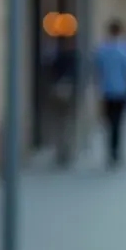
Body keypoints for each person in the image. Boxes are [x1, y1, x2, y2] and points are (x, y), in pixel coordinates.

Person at [94, 20, 126, 168]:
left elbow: (97, 70)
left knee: (109, 121)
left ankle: (111, 149)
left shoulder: (102, 49)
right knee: (118, 121)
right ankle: (115, 150)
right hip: (121, 90)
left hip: (106, 90)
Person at [48, 38, 79, 166]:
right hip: (66, 91)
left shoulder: (59, 57)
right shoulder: (72, 58)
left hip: (59, 90)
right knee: (65, 122)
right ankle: (64, 150)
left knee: (62, 122)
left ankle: (62, 150)